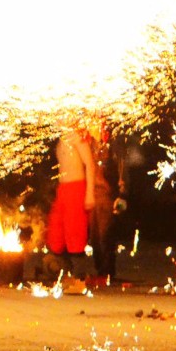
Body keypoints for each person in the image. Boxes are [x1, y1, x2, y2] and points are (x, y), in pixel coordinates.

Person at [46, 123, 101, 280]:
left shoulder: (78, 137)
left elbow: (90, 164)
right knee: (56, 227)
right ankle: (60, 269)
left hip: (76, 188)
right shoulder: (62, 139)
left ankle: (79, 274)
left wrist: (89, 193)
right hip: (63, 188)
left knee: (75, 229)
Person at [87, 119, 129, 287]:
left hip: (108, 195)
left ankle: (107, 272)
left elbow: (122, 169)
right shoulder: (92, 144)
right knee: (95, 237)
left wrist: (122, 195)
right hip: (94, 195)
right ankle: (100, 271)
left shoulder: (114, 144)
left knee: (106, 235)